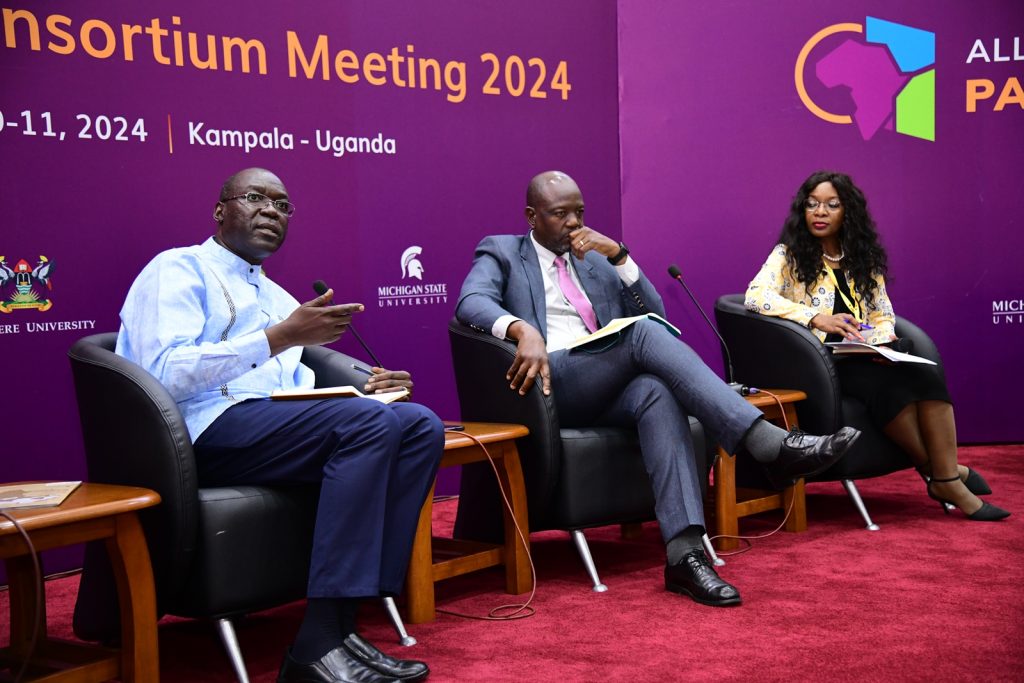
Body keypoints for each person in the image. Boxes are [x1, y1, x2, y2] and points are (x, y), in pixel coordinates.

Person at [456, 170, 863, 608]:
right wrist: (521, 329)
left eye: (579, 212)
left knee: (655, 389)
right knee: (642, 337)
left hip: (604, 383)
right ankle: (765, 442)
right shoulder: (501, 250)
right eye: (560, 214)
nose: (574, 223)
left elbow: (657, 314)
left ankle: (684, 556)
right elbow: (470, 302)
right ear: (532, 216)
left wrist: (620, 258)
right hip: (550, 386)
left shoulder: (593, 258)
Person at [117, 167, 444, 682]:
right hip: (198, 430)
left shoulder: (277, 296)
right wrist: (276, 337)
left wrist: (366, 391)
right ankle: (315, 646)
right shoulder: (177, 269)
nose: (271, 210)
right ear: (220, 210)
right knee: (365, 426)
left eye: (283, 205)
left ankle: (343, 623)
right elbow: (162, 373)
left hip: (266, 424)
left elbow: (298, 389)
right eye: (255, 198)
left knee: (418, 424)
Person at [745, 170, 1009, 522]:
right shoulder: (788, 255)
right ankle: (947, 477)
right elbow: (754, 296)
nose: (820, 212)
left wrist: (877, 339)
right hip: (822, 363)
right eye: (812, 204)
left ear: (847, 212)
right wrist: (815, 318)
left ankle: (944, 476)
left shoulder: (861, 259)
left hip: (864, 354)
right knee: (887, 389)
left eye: (831, 205)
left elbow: (883, 314)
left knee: (924, 378)